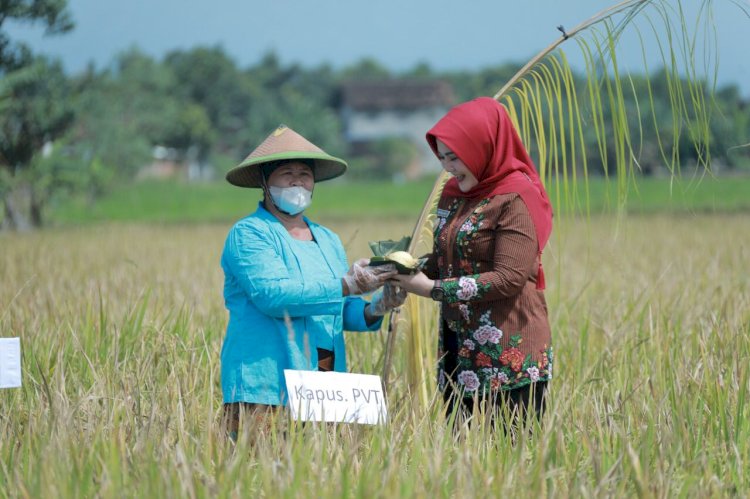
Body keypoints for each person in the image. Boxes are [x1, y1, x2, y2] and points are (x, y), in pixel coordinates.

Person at [220, 125, 405, 438]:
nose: (297, 180)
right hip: (266, 383)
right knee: (260, 477)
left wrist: (376, 307)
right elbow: (275, 297)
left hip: (323, 384)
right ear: (265, 182)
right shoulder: (249, 233)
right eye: (286, 172)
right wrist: (346, 285)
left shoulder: (327, 239)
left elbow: (337, 308)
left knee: (324, 478)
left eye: (305, 173)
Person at [392, 97, 554, 430]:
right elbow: (445, 258)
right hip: (458, 348)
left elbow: (509, 277)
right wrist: (403, 270)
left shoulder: (516, 197)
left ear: (483, 149)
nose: (448, 168)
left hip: (508, 352)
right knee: (463, 459)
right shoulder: (453, 193)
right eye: (443, 158)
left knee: (510, 455)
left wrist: (433, 289)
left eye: (455, 158)